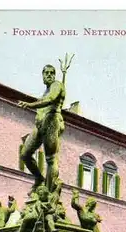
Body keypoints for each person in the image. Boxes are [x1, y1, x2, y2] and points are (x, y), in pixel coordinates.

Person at [18, 57, 73, 193]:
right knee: (25, 154)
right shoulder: (46, 91)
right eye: (46, 73)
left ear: (55, 75)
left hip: (51, 124)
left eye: (51, 73)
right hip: (40, 126)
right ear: (42, 76)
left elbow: (52, 99)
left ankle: (48, 191)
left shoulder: (56, 85)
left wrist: (30, 104)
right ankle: (39, 178)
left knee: (50, 159)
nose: (49, 75)